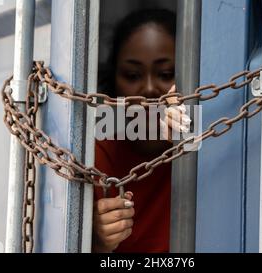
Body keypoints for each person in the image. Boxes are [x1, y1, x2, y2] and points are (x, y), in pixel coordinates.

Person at [92, 9, 190, 253]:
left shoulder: (208, 144)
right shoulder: (96, 155)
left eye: (166, 74)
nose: (148, 89)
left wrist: (184, 142)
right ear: (114, 81)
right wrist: (97, 241)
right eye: (133, 75)